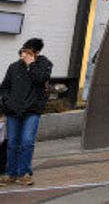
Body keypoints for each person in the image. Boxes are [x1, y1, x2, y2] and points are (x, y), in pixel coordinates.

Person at [0, 39, 52, 186]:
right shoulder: (14, 67)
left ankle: (24, 174)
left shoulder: (44, 65)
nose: (24, 54)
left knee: (27, 142)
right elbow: (4, 87)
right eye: (23, 50)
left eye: (28, 51)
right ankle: (11, 174)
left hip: (32, 111)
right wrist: (7, 101)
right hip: (13, 111)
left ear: (36, 53)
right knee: (12, 143)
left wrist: (31, 64)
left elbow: (41, 79)